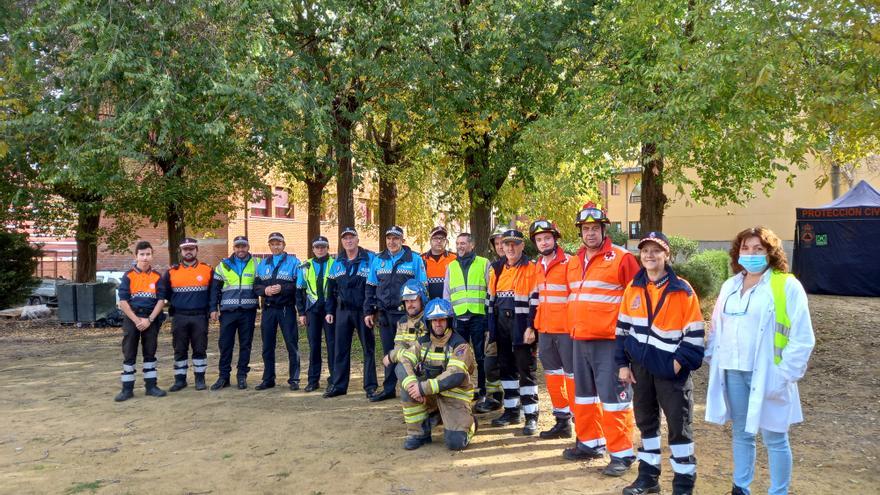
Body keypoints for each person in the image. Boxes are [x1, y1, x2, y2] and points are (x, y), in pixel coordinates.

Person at [705, 227, 815, 495]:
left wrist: (784, 375)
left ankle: (779, 491)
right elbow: (718, 328)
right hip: (732, 372)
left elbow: (802, 337)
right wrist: (710, 356)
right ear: (737, 252)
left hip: (768, 374)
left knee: (774, 436)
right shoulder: (730, 285)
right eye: (745, 248)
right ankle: (741, 487)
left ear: (770, 253)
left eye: (758, 249)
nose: (751, 254)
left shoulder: (786, 285)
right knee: (742, 433)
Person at [615, 231, 705, 495]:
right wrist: (622, 363)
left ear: (667, 255)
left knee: (679, 428)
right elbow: (622, 330)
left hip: (671, 373)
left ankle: (683, 484)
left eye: (656, 251)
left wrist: (677, 364)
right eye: (645, 251)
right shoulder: (633, 287)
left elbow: (695, 334)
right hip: (640, 370)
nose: (650, 255)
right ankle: (648, 477)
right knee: (646, 424)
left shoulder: (682, 290)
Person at [565, 202, 640, 476]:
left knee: (615, 398)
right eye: (586, 229)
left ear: (603, 230)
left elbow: (637, 299)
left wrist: (630, 342)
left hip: (610, 342)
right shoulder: (574, 262)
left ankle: (621, 454)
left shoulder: (621, 258)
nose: (590, 234)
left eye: (595, 228)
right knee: (584, 397)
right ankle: (589, 442)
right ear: (580, 232)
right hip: (579, 340)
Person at [396, 298, 477, 451]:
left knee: (455, 443)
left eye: (441, 320)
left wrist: (423, 388)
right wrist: (413, 384)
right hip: (430, 395)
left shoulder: (460, 345)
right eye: (434, 320)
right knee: (407, 387)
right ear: (428, 323)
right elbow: (403, 361)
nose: (437, 324)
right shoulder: (422, 342)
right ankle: (418, 433)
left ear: (449, 321)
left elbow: (455, 375)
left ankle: (471, 423)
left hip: (454, 397)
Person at [364, 225, 428, 402]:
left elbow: (423, 288)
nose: (392, 242)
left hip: (406, 316)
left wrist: (421, 315)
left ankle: (416, 387)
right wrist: (369, 311)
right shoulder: (378, 260)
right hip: (384, 314)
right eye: (389, 238)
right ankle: (389, 388)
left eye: (396, 238)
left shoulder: (414, 259)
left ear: (402, 240)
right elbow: (370, 287)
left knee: (411, 351)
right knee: (389, 351)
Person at [487, 229, 539, 435]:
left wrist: (532, 326)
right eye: (506, 244)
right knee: (506, 369)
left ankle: (531, 416)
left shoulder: (531, 268)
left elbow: (536, 300)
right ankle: (511, 411)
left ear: (522, 246)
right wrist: (492, 330)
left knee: (526, 370)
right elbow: (490, 300)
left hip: (521, 324)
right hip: (501, 324)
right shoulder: (496, 268)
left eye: (514, 244)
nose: (509, 247)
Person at [528, 220, 574, 439]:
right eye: (538, 239)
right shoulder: (538, 265)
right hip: (545, 331)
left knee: (573, 378)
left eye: (547, 238)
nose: (543, 242)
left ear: (555, 239)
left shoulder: (571, 263)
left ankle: (582, 423)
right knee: (553, 377)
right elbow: (536, 298)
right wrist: (532, 327)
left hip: (567, 331)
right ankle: (563, 421)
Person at [443, 232, 494, 412]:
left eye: (463, 243)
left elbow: (491, 290)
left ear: (472, 245)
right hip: (458, 318)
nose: (460, 246)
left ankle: (482, 389)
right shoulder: (451, 266)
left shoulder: (483, 263)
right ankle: (463, 388)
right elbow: (447, 293)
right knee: (459, 357)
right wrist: (448, 317)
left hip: (478, 316)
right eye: (458, 243)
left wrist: (489, 316)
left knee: (480, 356)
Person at [324, 227, 377, 398]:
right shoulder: (337, 262)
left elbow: (375, 286)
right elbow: (331, 289)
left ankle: (370, 386)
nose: (349, 241)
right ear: (342, 242)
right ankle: (339, 385)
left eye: (351, 237)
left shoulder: (370, 258)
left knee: (368, 349)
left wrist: (372, 310)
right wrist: (329, 310)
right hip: (342, 311)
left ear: (357, 239)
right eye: (345, 238)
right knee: (340, 349)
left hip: (363, 311)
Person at [114, 241, 168, 402]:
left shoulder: (157, 276)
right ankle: (127, 389)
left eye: (148, 254)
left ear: (152, 256)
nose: (145, 257)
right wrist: (137, 320)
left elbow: (161, 300)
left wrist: (150, 319)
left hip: (151, 320)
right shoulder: (128, 276)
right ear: (136, 256)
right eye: (142, 254)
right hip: (133, 319)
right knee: (129, 353)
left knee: (150, 352)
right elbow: (123, 302)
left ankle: (151, 386)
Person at [159, 237, 213, 392]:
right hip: (179, 316)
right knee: (179, 349)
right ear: (181, 251)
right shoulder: (171, 272)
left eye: (191, 248)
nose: (188, 252)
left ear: (197, 250)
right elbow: (165, 294)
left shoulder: (207, 270)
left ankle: (200, 379)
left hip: (200, 316)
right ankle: (180, 380)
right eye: (185, 249)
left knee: (200, 348)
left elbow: (213, 293)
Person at [209, 235, 259, 391]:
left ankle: (242, 376)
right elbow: (214, 290)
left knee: (246, 345)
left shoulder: (257, 263)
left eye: (243, 246)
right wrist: (212, 309)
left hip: (248, 312)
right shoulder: (223, 265)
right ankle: (223, 377)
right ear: (234, 248)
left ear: (248, 247)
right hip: (228, 312)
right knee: (225, 345)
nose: (241, 249)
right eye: (238, 246)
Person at [254, 232, 301, 391]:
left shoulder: (294, 262)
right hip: (268, 310)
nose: (275, 246)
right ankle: (268, 379)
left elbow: (298, 286)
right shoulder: (262, 264)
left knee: (291, 344)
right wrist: (264, 290)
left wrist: (283, 288)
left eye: (278, 243)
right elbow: (255, 286)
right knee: (267, 346)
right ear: (269, 246)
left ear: (284, 244)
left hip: (286, 309)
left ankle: (294, 379)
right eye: (273, 244)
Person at [476, 225, 509, 414]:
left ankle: (516, 402)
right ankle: (495, 398)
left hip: (512, 325)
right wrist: (489, 326)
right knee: (490, 363)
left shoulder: (521, 266)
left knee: (511, 365)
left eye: (502, 243)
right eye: (496, 243)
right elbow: (490, 299)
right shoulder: (494, 268)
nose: (500, 247)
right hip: (494, 324)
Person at [296, 236, 336, 393]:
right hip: (312, 310)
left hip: (330, 311)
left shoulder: (334, 263)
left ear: (327, 248)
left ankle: (334, 379)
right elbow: (299, 290)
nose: (320, 249)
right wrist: (301, 312)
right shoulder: (305, 266)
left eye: (323, 247)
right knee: (314, 346)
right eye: (317, 247)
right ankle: (313, 380)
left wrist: (332, 309)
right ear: (313, 249)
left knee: (332, 345)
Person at [383, 279, 428, 374]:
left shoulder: (429, 320)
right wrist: (399, 355)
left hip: (429, 366)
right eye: (406, 301)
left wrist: (392, 356)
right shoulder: (402, 322)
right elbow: (399, 345)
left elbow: (423, 347)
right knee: (401, 368)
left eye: (413, 300)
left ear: (422, 299)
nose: (410, 305)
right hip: (409, 362)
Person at [422, 226, 457, 300]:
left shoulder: (454, 258)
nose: (439, 241)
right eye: (435, 238)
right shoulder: (422, 259)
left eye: (442, 238)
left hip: (449, 303)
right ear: (430, 241)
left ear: (446, 241)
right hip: (428, 303)